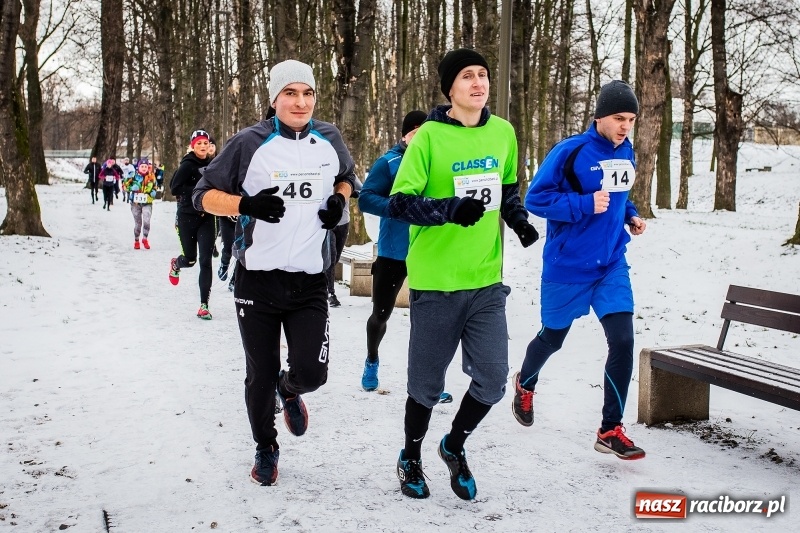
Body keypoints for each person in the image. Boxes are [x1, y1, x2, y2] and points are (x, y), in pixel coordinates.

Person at [192, 59, 356, 487]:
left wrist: (340, 200)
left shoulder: (329, 137)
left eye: (307, 94)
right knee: (258, 374)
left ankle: (291, 389)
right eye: (290, 93)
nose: (300, 102)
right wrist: (245, 205)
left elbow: (346, 179)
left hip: (308, 280)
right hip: (258, 280)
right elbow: (202, 196)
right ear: (274, 98)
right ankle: (265, 445)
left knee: (312, 373)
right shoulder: (249, 143)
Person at [385, 48, 539, 501]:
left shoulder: (503, 133)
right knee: (426, 387)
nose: (478, 83)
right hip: (435, 282)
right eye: (467, 76)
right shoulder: (429, 138)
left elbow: (506, 189)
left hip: (486, 280)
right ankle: (410, 455)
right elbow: (399, 203)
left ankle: (453, 445)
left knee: (493, 379)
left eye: (483, 75)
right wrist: (449, 209)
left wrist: (519, 219)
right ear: (450, 88)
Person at [512, 80, 647, 461]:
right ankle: (525, 382)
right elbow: (536, 199)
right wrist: (584, 204)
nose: (625, 126)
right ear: (600, 116)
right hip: (568, 266)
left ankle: (610, 428)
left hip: (610, 264)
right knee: (552, 339)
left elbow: (621, 197)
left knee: (622, 341)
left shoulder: (627, 152)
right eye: (619, 118)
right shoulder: (570, 151)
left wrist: (631, 216)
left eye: (631, 120)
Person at [357, 110, 426, 390]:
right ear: (404, 134)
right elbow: (366, 199)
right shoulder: (389, 162)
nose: (420, 138)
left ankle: (428, 378)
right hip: (393, 251)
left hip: (429, 250)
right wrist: (397, 207)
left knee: (428, 320)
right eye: (415, 133)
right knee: (381, 314)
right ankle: (372, 358)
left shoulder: (437, 160)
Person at [168, 129, 216, 320]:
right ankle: (176, 264)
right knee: (190, 259)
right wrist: (199, 190)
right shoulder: (187, 165)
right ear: (193, 145)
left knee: (206, 261)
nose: (203, 146)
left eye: (206, 143)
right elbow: (175, 188)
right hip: (187, 217)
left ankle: (204, 305)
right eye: (199, 143)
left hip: (207, 217)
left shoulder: (213, 164)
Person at [324, 176, 361, 308]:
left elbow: (360, 190)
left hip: (343, 222)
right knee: (331, 255)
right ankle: (329, 293)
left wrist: (352, 191)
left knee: (335, 258)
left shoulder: (347, 173)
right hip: (325, 222)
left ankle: (324, 287)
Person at [125, 158, 157, 249]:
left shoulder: (151, 176)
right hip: (135, 203)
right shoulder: (133, 175)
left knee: (147, 221)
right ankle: (136, 240)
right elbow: (125, 186)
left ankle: (145, 238)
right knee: (138, 223)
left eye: (145, 166)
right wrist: (131, 188)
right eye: (142, 166)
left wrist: (153, 192)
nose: (144, 168)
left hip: (147, 202)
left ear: (148, 167)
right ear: (138, 167)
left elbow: (155, 187)